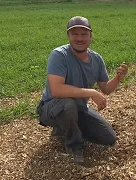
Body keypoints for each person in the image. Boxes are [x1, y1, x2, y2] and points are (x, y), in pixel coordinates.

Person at [36, 16, 128, 163]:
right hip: (52, 107)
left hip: (79, 108)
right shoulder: (59, 55)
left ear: (91, 36)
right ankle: (74, 147)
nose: (79, 38)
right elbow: (56, 90)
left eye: (84, 34)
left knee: (108, 137)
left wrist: (118, 78)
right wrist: (91, 92)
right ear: (69, 36)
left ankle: (64, 128)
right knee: (67, 104)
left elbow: (106, 89)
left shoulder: (96, 59)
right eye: (75, 34)